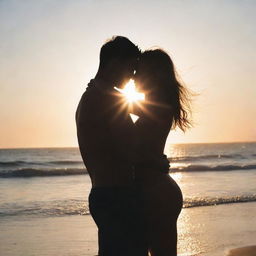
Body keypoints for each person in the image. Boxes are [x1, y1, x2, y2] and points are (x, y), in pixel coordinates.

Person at [75, 36, 148, 256]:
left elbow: (146, 110)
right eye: (132, 68)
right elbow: (130, 150)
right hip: (118, 196)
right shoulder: (104, 99)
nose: (133, 77)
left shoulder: (95, 95)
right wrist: (157, 162)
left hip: (104, 194)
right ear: (115, 63)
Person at [133, 49, 192, 256]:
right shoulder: (157, 105)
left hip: (157, 194)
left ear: (152, 74)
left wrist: (105, 88)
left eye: (138, 71)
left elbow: (118, 105)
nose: (133, 76)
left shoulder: (158, 106)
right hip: (157, 190)